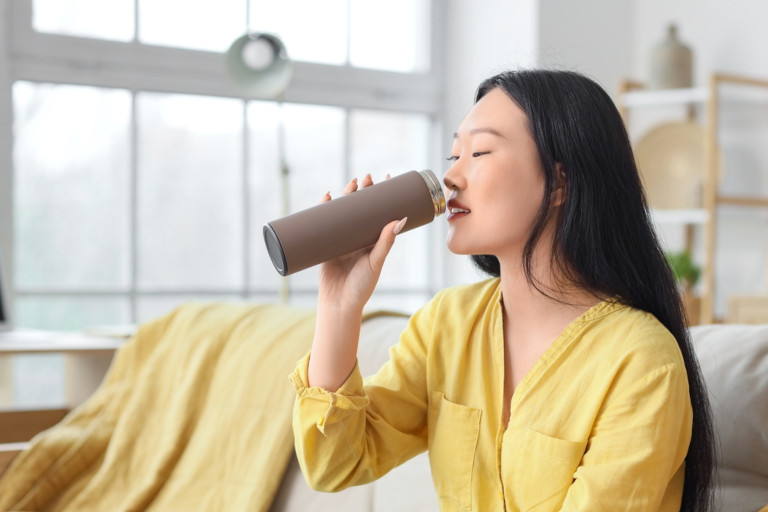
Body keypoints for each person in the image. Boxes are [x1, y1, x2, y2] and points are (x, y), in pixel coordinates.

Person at [290, 69, 715, 511]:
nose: (450, 177)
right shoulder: (448, 324)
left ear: (560, 183)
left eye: (479, 151)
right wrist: (339, 307)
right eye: (453, 154)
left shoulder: (640, 360)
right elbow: (335, 464)